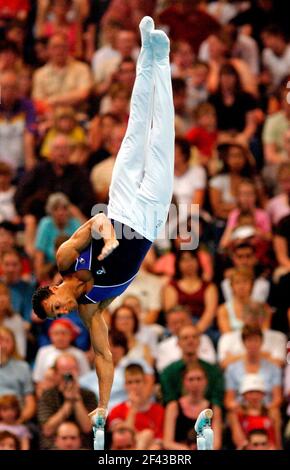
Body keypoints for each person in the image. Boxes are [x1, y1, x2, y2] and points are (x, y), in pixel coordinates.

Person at [32, 17, 175, 429]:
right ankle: (161, 59)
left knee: (133, 132)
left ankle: (146, 52)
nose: (62, 312)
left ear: (54, 290)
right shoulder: (92, 312)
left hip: (120, 205)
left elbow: (91, 225)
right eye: (58, 315)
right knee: (160, 135)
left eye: (55, 307)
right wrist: (104, 404)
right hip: (148, 220)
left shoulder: (63, 260)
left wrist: (108, 233)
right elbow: (103, 356)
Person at [37, 353, 97, 450]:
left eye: (72, 369)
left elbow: (87, 428)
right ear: (55, 373)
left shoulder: (89, 395)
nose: (69, 374)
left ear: (78, 371)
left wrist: (77, 399)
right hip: (53, 446)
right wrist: (68, 402)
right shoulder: (47, 395)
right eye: (64, 370)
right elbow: (47, 430)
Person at [160, 325, 224, 407]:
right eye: (185, 338)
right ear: (178, 343)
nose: (190, 341)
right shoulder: (168, 373)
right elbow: (169, 400)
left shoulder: (213, 371)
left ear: (200, 341)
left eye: (194, 337)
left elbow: (217, 400)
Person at [163, 364, 222, 450]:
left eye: (199, 379)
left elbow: (216, 444)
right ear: (184, 382)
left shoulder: (214, 409)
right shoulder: (173, 407)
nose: (195, 383)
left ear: (206, 381)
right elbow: (167, 442)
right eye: (191, 379)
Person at [107, 364, 164, 450]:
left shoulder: (158, 410)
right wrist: (134, 408)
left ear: (144, 383)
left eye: (137, 381)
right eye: (130, 382)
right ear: (125, 386)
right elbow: (125, 438)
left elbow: (159, 441)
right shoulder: (116, 410)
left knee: (147, 435)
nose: (134, 386)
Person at [217, 301, 286, 369]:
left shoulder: (278, 337)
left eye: (257, 314)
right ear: (242, 317)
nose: (253, 318)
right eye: (250, 313)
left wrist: (235, 358)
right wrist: (264, 355)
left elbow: (278, 364)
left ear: (263, 318)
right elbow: (224, 364)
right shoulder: (227, 338)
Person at [156, 306, 216, 373]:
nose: (179, 325)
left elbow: (211, 363)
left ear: (190, 320)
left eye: (182, 321)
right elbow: (163, 370)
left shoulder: (204, 339)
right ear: (168, 325)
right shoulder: (163, 346)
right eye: (175, 323)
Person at [228, 374, 281, 450]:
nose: (254, 396)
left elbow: (277, 442)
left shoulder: (273, 413)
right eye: (250, 392)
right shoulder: (236, 414)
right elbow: (239, 442)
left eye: (257, 392)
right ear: (244, 394)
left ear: (263, 394)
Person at [33, 318, 90, 384]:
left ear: (71, 335)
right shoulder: (43, 352)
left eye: (64, 333)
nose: (60, 337)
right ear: (50, 335)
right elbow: (38, 379)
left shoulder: (79, 354)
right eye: (56, 333)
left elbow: (86, 378)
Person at [0, 326, 36, 423]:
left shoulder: (22, 367)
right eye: (0, 340)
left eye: (6, 341)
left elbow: (30, 401)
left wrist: (19, 421)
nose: (2, 345)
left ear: (13, 344)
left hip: (15, 416)